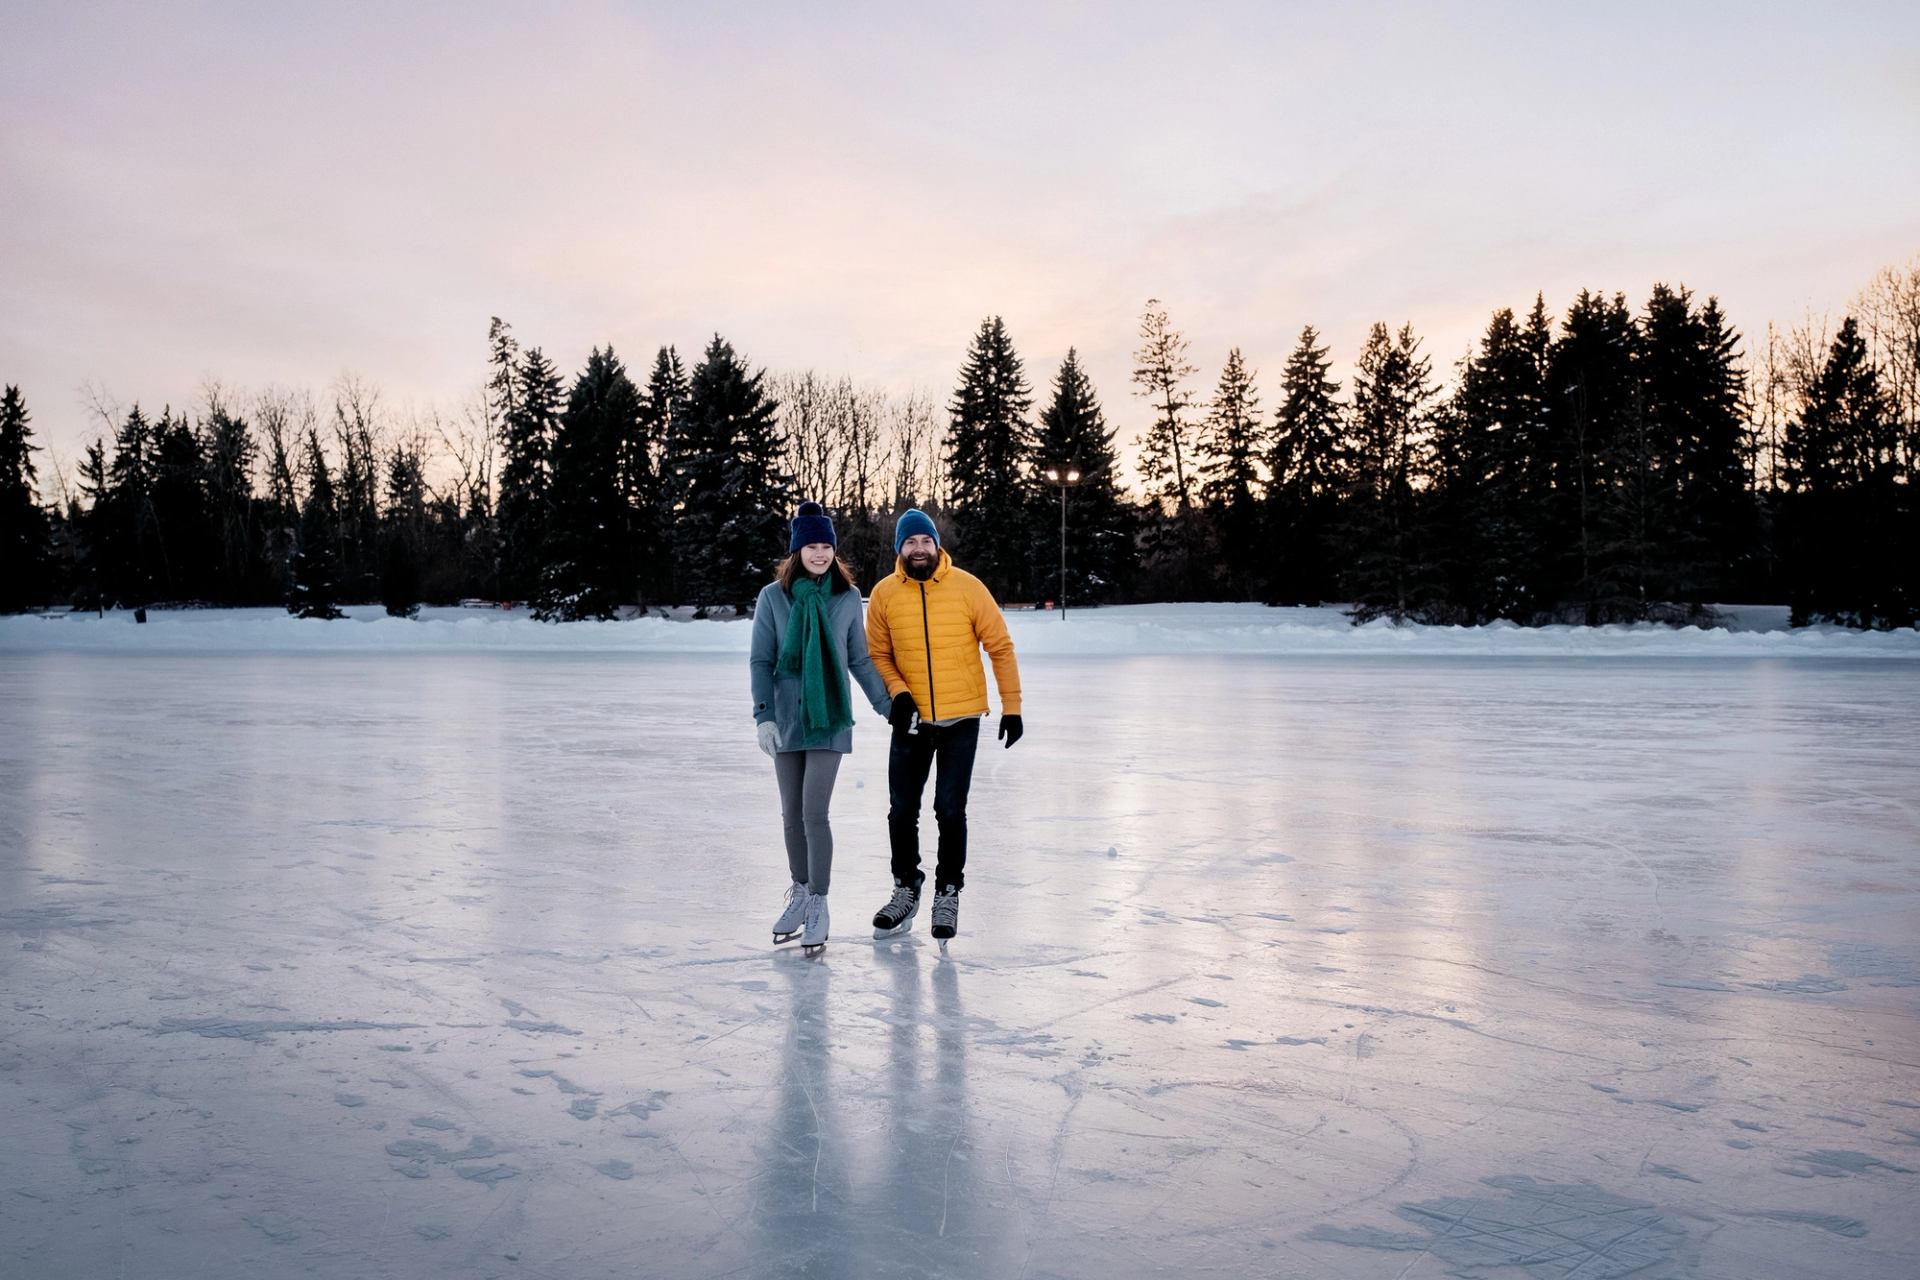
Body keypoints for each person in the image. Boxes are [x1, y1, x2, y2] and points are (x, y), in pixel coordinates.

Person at [865, 508, 1023, 942]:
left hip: (961, 719)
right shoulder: (883, 595)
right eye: (910, 542)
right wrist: (898, 694)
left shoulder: (968, 588)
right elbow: (877, 654)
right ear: (900, 549)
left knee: (950, 810)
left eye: (925, 541)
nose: (919, 549)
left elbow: (1001, 647)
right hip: (912, 720)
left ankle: (947, 891)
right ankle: (906, 887)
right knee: (902, 810)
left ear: (937, 545)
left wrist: (1012, 707)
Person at [750, 501, 891, 954]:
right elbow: (762, 660)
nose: (819, 554)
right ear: (796, 551)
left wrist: (890, 706)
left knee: (814, 813)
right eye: (811, 546)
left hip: (828, 716)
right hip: (787, 719)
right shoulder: (773, 597)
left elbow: (859, 660)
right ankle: (801, 892)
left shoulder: (848, 599)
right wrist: (763, 715)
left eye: (826, 546)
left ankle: (820, 904)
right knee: (791, 814)